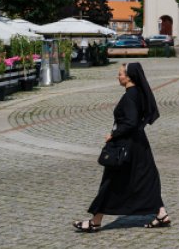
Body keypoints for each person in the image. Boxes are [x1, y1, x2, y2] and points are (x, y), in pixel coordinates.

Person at [73, 62, 170, 232]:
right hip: (138, 144)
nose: (118, 77)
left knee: (110, 182)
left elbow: (131, 122)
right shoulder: (137, 93)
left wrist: (113, 135)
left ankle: (95, 221)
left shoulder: (130, 96)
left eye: (120, 74)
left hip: (126, 146)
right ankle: (161, 213)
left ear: (129, 77)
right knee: (145, 178)